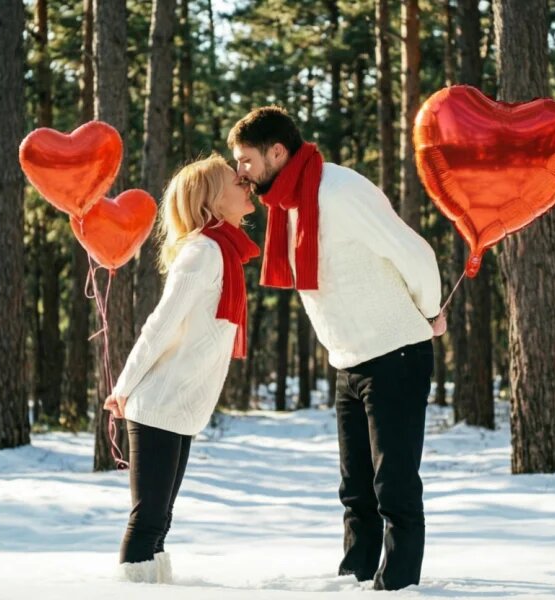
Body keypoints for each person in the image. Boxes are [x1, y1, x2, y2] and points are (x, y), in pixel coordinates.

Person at [228, 106, 442, 591]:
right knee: (356, 491)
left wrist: (430, 312)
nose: (240, 172)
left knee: (393, 486)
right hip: (349, 359)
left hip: (395, 352)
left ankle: (398, 586)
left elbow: (414, 252)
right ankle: (354, 580)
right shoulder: (287, 203)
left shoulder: (339, 192)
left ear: (276, 152)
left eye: (245, 160)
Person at [104, 155, 259, 584]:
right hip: (158, 403)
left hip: (179, 407)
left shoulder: (222, 251)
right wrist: (122, 388)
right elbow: (159, 326)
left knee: (160, 520)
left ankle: (154, 589)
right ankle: (133, 592)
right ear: (212, 200)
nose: (246, 183)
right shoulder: (202, 252)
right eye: (236, 181)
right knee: (149, 521)